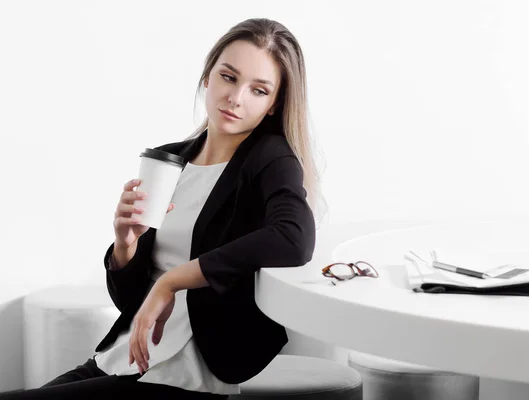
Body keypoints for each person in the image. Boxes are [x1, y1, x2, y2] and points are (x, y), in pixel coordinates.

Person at [1, 17, 324, 399]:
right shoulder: (169, 161)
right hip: (124, 358)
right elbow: (134, 302)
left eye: (258, 90)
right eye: (228, 77)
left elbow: (295, 239)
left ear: (273, 105)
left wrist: (173, 281)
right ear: (208, 77)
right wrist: (125, 246)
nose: (236, 97)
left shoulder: (270, 159)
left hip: (192, 369)